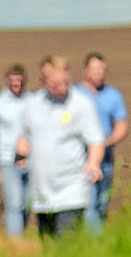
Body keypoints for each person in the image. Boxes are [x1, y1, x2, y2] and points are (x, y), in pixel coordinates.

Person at [20, 55, 106, 238]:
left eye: (65, 82)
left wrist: (94, 162)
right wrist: (21, 150)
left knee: (66, 243)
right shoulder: (32, 105)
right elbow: (25, 138)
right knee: (48, 245)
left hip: (71, 189)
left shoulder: (82, 104)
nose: (62, 88)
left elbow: (96, 140)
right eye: (55, 84)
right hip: (42, 192)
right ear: (43, 81)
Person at [0, 63, 33, 237]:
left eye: (20, 81)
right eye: (13, 81)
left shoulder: (33, 101)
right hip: (7, 160)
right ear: (6, 81)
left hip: (32, 160)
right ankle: (15, 244)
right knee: (15, 202)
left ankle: (22, 235)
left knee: (28, 203)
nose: (16, 85)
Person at [81, 54, 129, 227]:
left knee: (102, 203)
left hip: (106, 159)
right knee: (89, 203)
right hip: (81, 158)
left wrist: (106, 142)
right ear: (86, 71)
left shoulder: (113, 95)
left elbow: (121, 125)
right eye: (95, 70)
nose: (99, 74)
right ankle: (94, 244)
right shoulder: (76, 95)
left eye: (102, 70)